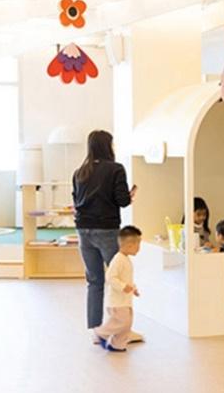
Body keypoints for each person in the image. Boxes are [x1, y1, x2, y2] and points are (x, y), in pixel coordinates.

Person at [72, 130, 137, 338]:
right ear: (107, 146)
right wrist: (130, 195)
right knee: (119, 278)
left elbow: (76, 202)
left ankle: (96, 330)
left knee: (94, 281)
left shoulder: (79, 172)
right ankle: (120, 329)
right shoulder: (116, 169)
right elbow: (122, 201)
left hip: (83, 230)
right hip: (107, 229)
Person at [94, 226, 142, 352]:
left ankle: (118, 345)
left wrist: (133, 288)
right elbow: (110, 277)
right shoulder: (118, 259)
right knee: (121, 322)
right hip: (117, 302)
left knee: (126, 324)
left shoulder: (126, 259)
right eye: (138, 245)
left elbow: (126, 279)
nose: (139, 248)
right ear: (130, 245)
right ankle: (101, 333)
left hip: (125, 301)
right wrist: (123, 287)